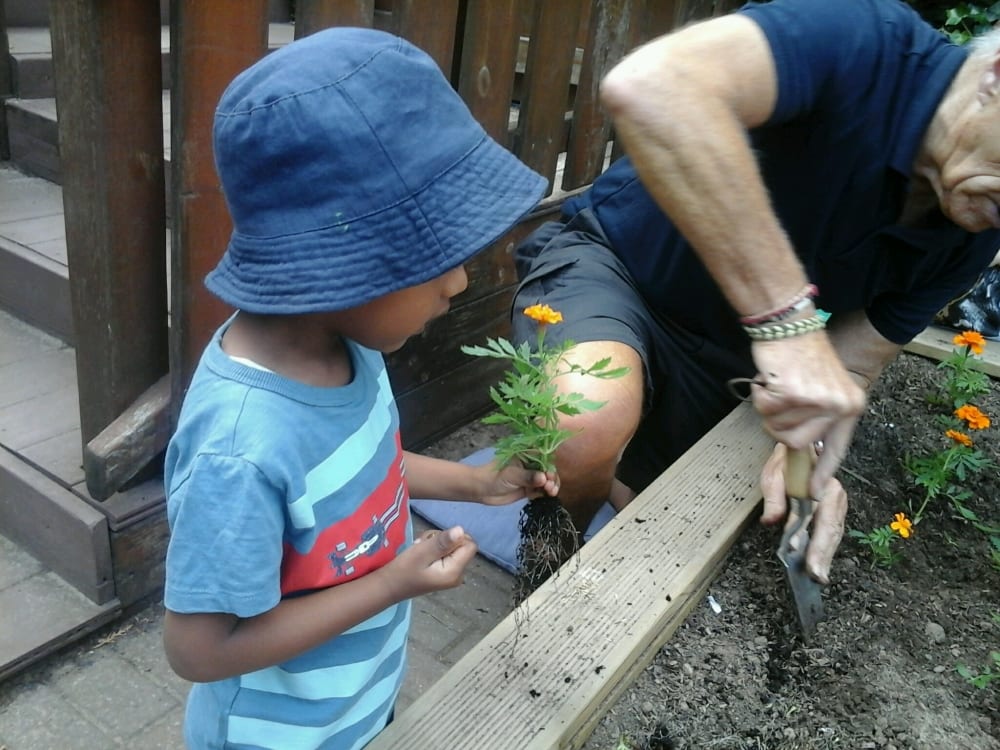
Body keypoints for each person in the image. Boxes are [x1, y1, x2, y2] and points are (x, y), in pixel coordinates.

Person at [510, 0, 1000, 585]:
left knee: (688, 533)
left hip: (732, 358)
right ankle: (547, 594)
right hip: (619, 268)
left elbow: (851, 364)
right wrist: (787, 321)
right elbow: (653, 85)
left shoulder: (972, 226)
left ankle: (607, 492)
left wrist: (808, 460)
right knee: (584, 424)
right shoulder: (865, 42)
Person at [161, 27, 554, 750]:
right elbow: (197, 649)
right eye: (434, 258)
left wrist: (476, 486)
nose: (459, 282)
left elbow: (360, 474)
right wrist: (390, 585)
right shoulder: (240, 451)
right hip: (273, 737)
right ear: (339, 263)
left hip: (353, 707)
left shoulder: (351, 348)